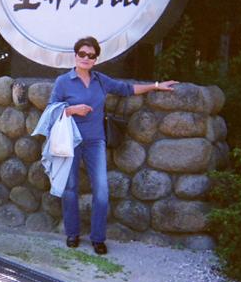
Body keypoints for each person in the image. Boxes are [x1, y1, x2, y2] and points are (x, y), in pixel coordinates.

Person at [48, 36, 178, 255]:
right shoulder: (63, 81)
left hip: (95, 141)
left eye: (91, 55)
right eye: (82, 54)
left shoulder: (100, 80)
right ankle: (72, 233)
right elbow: (51, 109)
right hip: (69, 140)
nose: (86, 58)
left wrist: (156, 86)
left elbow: (127, 89)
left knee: (101, 190)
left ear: (96, 59)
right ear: (75, 55)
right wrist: (71, 110)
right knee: (70, 189)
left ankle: (98, 238)